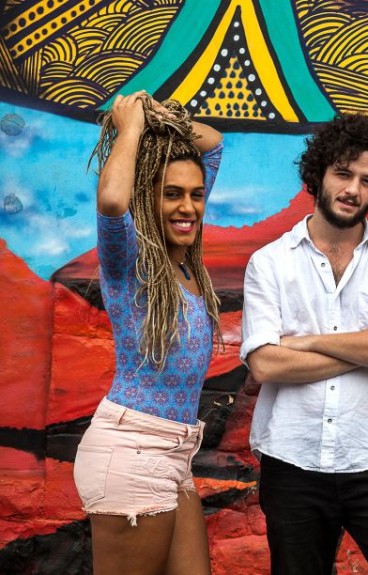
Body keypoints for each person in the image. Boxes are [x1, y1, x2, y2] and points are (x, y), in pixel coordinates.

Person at [240, 113, 368, 574]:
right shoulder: (270, 262)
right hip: (293, 460)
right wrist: (367, 348)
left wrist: (305, 343)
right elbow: (265, 364)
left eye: (367, 181)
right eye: (343, 174)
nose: (353, 189)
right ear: (319, 174)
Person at [72, 91, 223, 575]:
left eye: (196, 194)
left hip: (175, 453)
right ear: (147, 196)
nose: (188, 207)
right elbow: (113, 200)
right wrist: (131, 128)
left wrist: (157, 114)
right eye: (171, 193)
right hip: (131, 449)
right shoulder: (130, 260)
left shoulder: (184, 261)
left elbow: (214, 144)